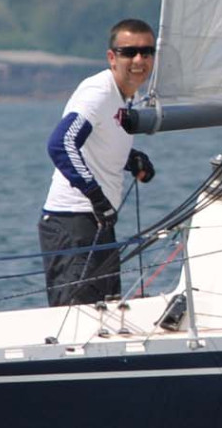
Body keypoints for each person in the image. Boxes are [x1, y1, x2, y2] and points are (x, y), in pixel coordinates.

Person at [41, 18, 157, 306]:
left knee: (107, 312)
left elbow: (100, 139)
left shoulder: (127, 96)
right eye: (129, 52)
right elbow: (61, 144)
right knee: (77, 317)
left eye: (146, 52)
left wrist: (132, 159)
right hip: (73, 221)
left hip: (98, 222)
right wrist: (96, 196)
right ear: (112, 57)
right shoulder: (99, 93)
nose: (139, 60)